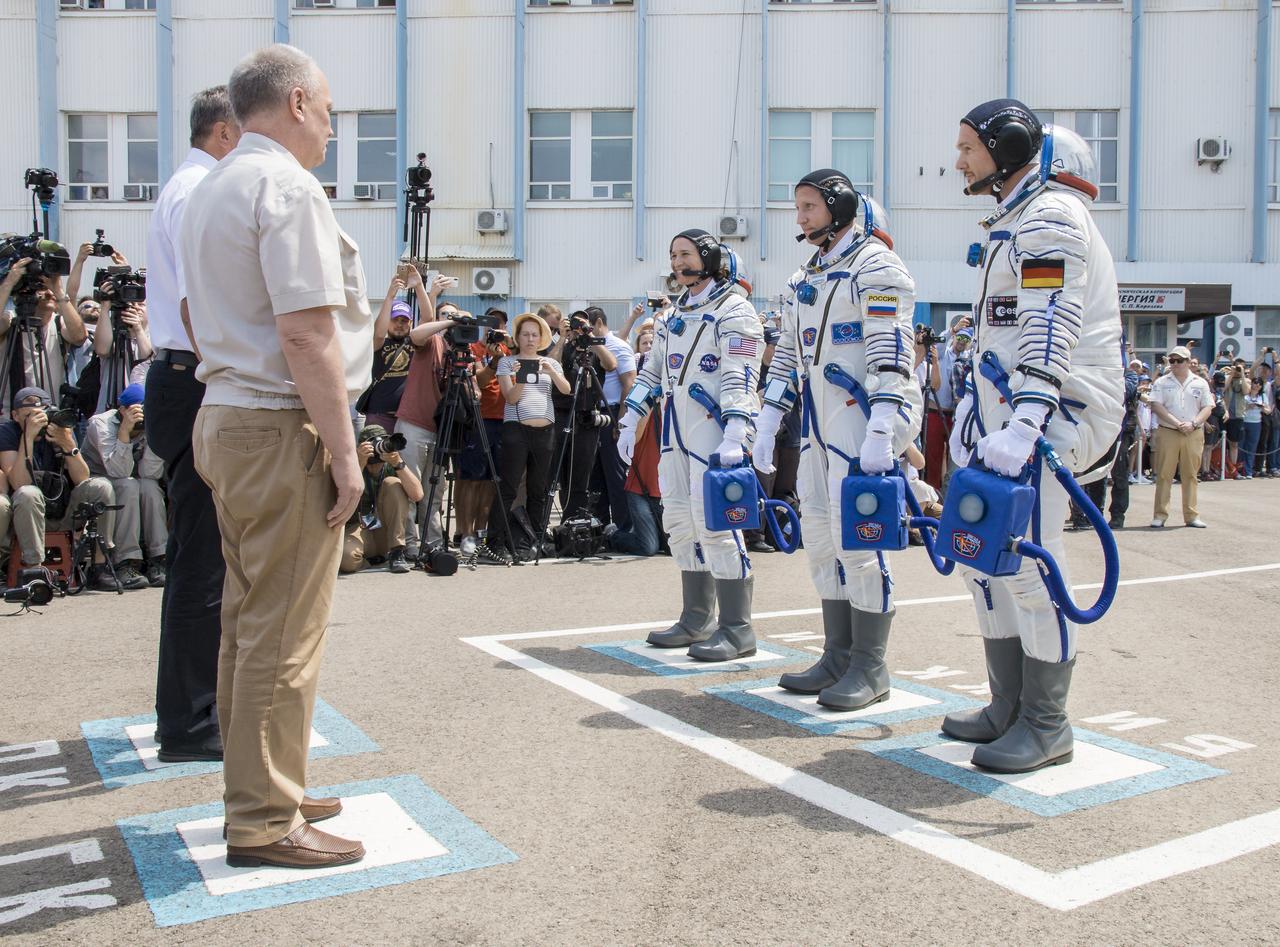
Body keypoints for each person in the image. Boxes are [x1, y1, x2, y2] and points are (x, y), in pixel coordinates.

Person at [183, 44, 367, 869]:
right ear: (295, 102)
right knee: (284, 629)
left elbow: (192, 311)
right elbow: (306, 330)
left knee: (248, 619)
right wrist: (345, 449)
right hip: (275, 419)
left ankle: (266, 781)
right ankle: (263, 815)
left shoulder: (214, 181)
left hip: (226, 411)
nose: (331, 123)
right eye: (326, 108)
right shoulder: (286, 185)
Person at [946, 103, 1124, 774]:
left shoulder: (1051, 217)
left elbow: (1051, 321)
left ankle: (1047, 724)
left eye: (968, 146)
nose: (959, 160)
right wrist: (976, 405)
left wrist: (1026, 420)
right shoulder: (1017, 220)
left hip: (1054, 411)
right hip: (1012, 406)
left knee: (1028, 561)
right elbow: (1001, 331)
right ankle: (1008, 705)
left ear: (1013, 146)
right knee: (979, 556)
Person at [752, 170, 922, 709]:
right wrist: (768, 417)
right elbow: (787, 355)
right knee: (822, 536)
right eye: (796, 207)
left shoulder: (875, 267)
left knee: (861, 543)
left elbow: (891, 350)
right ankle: (837, 655)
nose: (799, 217)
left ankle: (870, 667)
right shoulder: (807, 276)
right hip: (820, 423)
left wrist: (882, 428)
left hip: (864, 413)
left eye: (808, 206)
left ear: (838, 206)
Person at [143, 84, 241, 764]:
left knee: (200, 557)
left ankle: (190, 709)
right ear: (225, 133)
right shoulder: (194, 192)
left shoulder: (186, 185)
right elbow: (197, 306)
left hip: (181, 376)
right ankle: (188, 720)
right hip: (191, 378)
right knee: (201, 561)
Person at [617, 231, 763, 662]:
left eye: (686, 254)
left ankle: (737, 628)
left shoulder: (735, 311)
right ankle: (696, 617)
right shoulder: (673, 316)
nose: (677, 263)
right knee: (679, 521)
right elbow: (652, 373)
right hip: (674, 433)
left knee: (717, 524)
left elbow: (741, 375)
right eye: (673, 255)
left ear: (710, 259)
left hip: (714, 432)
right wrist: (630, 418)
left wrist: (738, 430)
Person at [0, 386, 119, 590]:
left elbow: (83, 478)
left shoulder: (60, 427)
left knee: (101, 486)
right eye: (29, 415)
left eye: (42, 414)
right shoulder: (9, 431)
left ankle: (100, 566)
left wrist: (68, 444)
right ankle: (34, 570)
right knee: (28, 493)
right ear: (15, 415)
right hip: (25, 517)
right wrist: (27, 438)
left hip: (63, 511)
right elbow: (18, 483)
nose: (37, 420)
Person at [480, 313, 569, 563]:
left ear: (541, 338)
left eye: (534, 334)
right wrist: (521, 377)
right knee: (508, 487)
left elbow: (566, 389)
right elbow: (511, 398)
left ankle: (535, 539)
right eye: (525, 334)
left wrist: (551, 370)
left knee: (539, 489)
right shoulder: (509, 363)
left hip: (546, 431)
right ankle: (495, 542)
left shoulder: (549, 362)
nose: (530, 339)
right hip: (516, 429)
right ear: (517, 337)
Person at [83, 383, 165, 589]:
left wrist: (155, 429)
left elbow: (150, 473)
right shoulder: (100, 424)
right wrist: (125, 431)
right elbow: (118, 471)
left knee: (149, 487)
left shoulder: (151, 424)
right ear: (123, 410)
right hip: (100, 480)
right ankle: (126, 562)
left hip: (133, 479)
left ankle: (159, 559)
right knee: (128, 486)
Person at [392, 284, 454, 560]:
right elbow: (418, 332)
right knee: (410, 488)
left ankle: (432, 542)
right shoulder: (430, 341)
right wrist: (444, 314)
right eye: (447, 316)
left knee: (435, 490)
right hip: (414, 423)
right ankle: (409, 544)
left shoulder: (455, 350)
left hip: (440, 429)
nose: (452, 321)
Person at [0, 262, 87, 415]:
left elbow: (79, 336)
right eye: (42, 287)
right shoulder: (10, 320)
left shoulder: (59, 323)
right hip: (9, 416)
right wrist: (9, 283)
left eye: (50, 287)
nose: (48, 293)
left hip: (50, 414)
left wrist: (58, 291)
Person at [340, 425, 423, 574]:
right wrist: (359, 462)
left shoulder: (393, 465)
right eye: (374, 444)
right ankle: (373, 560)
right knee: (348, 560)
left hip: (385, 531)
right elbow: (342, 494)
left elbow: (417, 495)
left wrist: (399, 464)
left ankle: (397, 552)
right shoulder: (353, 463)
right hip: (358, 528)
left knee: (393, 483)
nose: (380, 448)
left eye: (384, 443)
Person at [1147, 345, 1213, 527]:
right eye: (1172, 360)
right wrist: (1177, 423)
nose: (1175, 364)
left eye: (1179, 360)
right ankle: (1160, 514)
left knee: (1190, 474)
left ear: (1188, 362)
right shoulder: (1162, 382)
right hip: (1169, 431)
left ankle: (1191, 515)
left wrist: (1194, 423)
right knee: (1164, 474)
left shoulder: (1200, 382)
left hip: (1193, 432)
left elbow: (1207, 407)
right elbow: (1156, 405)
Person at [586, 307, 636, 532]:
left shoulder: (618, 346)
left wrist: (621, 422)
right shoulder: (586, 346)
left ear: (597, 323)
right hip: (591, 415)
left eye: (586, 326)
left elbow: (629, 384)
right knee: (594, 477)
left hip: (612, 413)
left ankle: (625, 527)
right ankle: (600, 528)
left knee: (616, 477)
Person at [1080, 356, 1140, 528]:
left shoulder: (1129, 375)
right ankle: (1094, 514)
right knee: (1095, 474)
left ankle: (1117, 515)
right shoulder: (1097, 373)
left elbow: (1123, 391)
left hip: (1121, 431)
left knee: (1120, 475)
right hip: (1099, 429)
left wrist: (1105, 384)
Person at [358, 272, 418, 432]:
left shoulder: (414, 342)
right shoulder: (379, 343)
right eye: (395, 319)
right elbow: (378, 333)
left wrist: (420, 286)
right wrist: (390, 296)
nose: (399, 324)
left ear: (411, 322)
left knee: (402, 458)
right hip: (379, 414)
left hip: (407, 417)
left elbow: (428, 319)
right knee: (375, 455)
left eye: (404, 320)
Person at [1240, 378, 1266, 479]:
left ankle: (1248, 471)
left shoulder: (1262, 396)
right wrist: (1248, 406)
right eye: (1255, 383)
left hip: (1256, 423)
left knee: (1251, 448)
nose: (1257, 385)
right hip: (1244, 421)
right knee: (1241, 446)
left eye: (1259, 384)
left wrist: (1262, 407)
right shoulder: (1245, 395)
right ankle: (1239, 470)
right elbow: (1240, 408)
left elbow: (1268, 410)